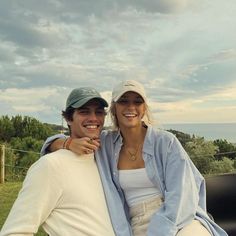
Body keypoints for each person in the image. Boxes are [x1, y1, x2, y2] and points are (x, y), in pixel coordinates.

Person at [40, 80, 228, 236]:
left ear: (144, 108)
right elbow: (51, 142)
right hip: (135, 223)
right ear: (114, 108)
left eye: (137, 101)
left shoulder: (165, 142)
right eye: (124, 101)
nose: (131, 107)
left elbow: (182, 195)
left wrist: (160, 231)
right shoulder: (105, 144)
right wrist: (67, 144)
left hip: (178, 219)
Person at [0, 87, 132, 236]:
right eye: (84, 111)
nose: (93, 118)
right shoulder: (50, 166)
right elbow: (15, 231)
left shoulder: (104, 158)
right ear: (69, 118)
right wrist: (66, 143)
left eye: (99, 112)